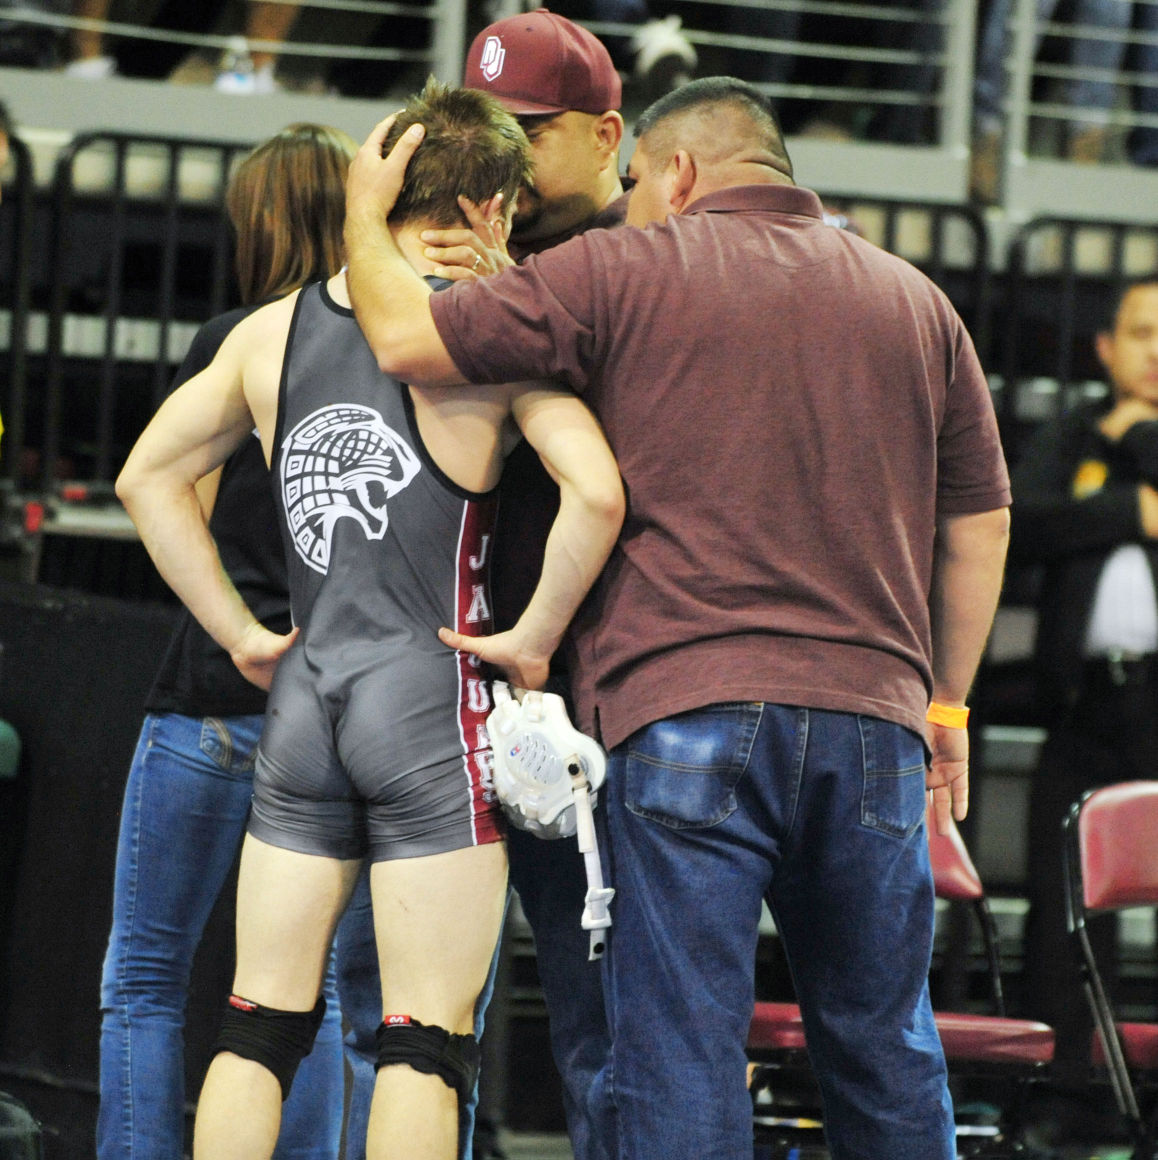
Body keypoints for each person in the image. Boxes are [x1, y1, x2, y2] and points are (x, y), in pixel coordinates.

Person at [342, 75, 1012, 1159]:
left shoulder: (624, 264)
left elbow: (410, 340)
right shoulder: (916, 300)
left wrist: (362, 217)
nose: (633, 198)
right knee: (887, 1046)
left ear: (683, 172)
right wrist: (946, 702)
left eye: (641, 179)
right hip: (877, 726)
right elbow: (980, 521)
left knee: (678, 1050)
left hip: (685, 709)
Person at [115, 78, 624, 1160]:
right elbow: (597, 492)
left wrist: (241, 632)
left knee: (256, 1022)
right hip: (431, 700)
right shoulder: (487, 340)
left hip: (306, 695)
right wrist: (532, 635)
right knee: (424, 1043)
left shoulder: (267, 331)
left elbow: (146, 476)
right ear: (496, 209)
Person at [96, 122, 358, 1160]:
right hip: (335, 712)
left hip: (215, 692)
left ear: (257, 219)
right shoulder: (387, 350)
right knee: (313, 989)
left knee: (148, 976)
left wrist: (245, 631)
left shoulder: (235, 338)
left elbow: (177, 515)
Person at [414, 12, 629, 1157]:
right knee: (429, 1003)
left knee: (613, 1020)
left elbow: (614, 471)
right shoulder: (460, 260)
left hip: (615, 682)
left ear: (606, 134)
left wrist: (509, 307)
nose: (500, 161)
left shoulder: (651, 256)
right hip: (485, 684)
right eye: (486, 131)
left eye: (528, 133)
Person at [1009, 279, 1158, 1115]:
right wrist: (1131, 505)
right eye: (1141, 332)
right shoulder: (1072, 433)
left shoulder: (1118, 430)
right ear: (1105, 348)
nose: (1156, 351)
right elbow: (1022, 521)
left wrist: (1143, 438)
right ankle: (1060, 1096)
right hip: (1083, 709)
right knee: (1063, 900)